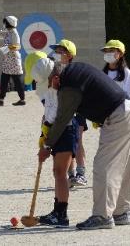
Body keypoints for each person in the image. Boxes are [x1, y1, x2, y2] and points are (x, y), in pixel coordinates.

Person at [37, 60, 130, 230]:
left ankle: (102, 216)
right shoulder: (74, 70)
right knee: (123, 166)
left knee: (103, 167)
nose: (50, 88)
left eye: (48, 83)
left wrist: (47, 146)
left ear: (55, 78)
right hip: (128, 112)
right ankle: (120, 212)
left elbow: (62, 118)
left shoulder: (68, 87)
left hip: (118, 117)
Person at [24, 52, 78, 228]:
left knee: (60, 172)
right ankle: (57, 211)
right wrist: (43, 134)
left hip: (66, 130)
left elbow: (57, 117)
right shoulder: (50, 88)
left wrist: (46, 146)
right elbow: (47, 114)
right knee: (57, 172)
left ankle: (62, 215)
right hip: (56, 131)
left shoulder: (63, 89)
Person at [49, 39, 88, 188]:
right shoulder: (54, 70)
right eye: (56, 51)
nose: (57, 54)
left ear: (69, 55)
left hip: (77, 110)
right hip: (61, 113)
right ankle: (71, 175)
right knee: (67, 144)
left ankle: (81, 173)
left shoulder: (76, 71)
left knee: (77, 141)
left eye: (60, 51)